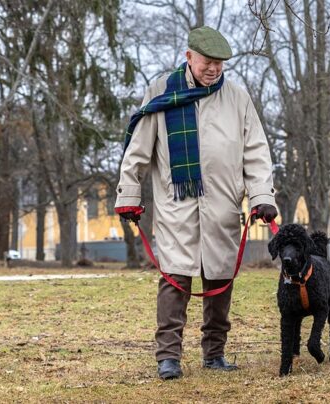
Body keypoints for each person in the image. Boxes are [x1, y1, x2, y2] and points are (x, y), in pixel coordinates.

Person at [113, 26, 278, 380]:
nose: (214, 69)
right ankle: (168, 357)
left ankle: (214, 354)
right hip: (177, 206)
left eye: (219, 64)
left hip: (223, 206)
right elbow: (137, 152)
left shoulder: (237, 98)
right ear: (189, 57)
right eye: (207, 62)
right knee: (175, 279)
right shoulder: (161, 92)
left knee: (220, 280)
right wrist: (129, 195)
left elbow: (256, 153)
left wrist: (262, 196)